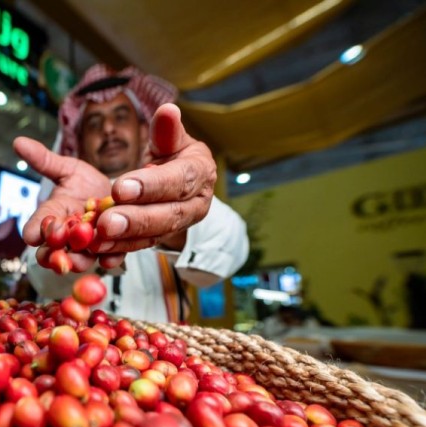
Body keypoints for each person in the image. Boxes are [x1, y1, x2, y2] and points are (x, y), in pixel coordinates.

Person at [14, 64, 249, 323]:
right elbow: (42, 277)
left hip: (162, 359)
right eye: (94, 123)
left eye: (121, 116)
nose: (108, 129)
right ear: (79, 143)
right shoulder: (63, 202)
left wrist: (174, 224)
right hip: (78, 353)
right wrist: (76, 241)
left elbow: (232, 246)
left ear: (142, 129)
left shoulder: (174, 187)